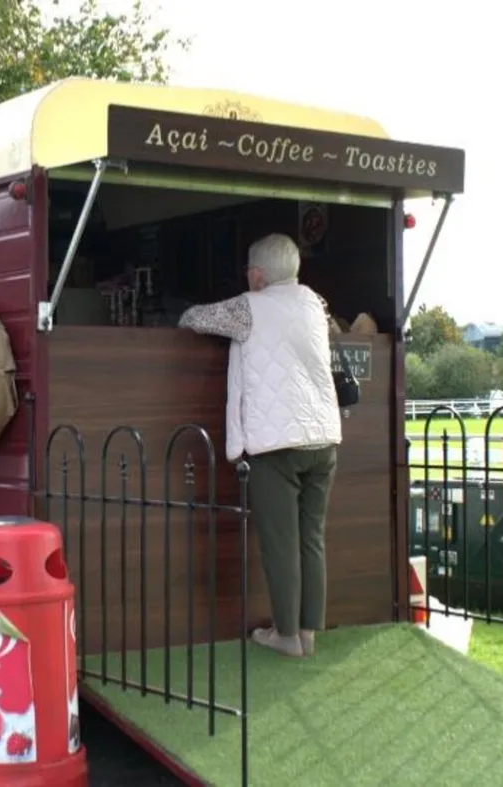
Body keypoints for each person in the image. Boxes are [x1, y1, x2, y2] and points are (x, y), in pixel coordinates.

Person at [178, 233, 342, 658]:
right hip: (322, 438)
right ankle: (308, 632)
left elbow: (193, 318)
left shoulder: (246, 308)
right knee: (311, 538)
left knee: (280, 541)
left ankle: (285, 636)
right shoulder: (316, 305)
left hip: (277, 442)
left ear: (256, 274)